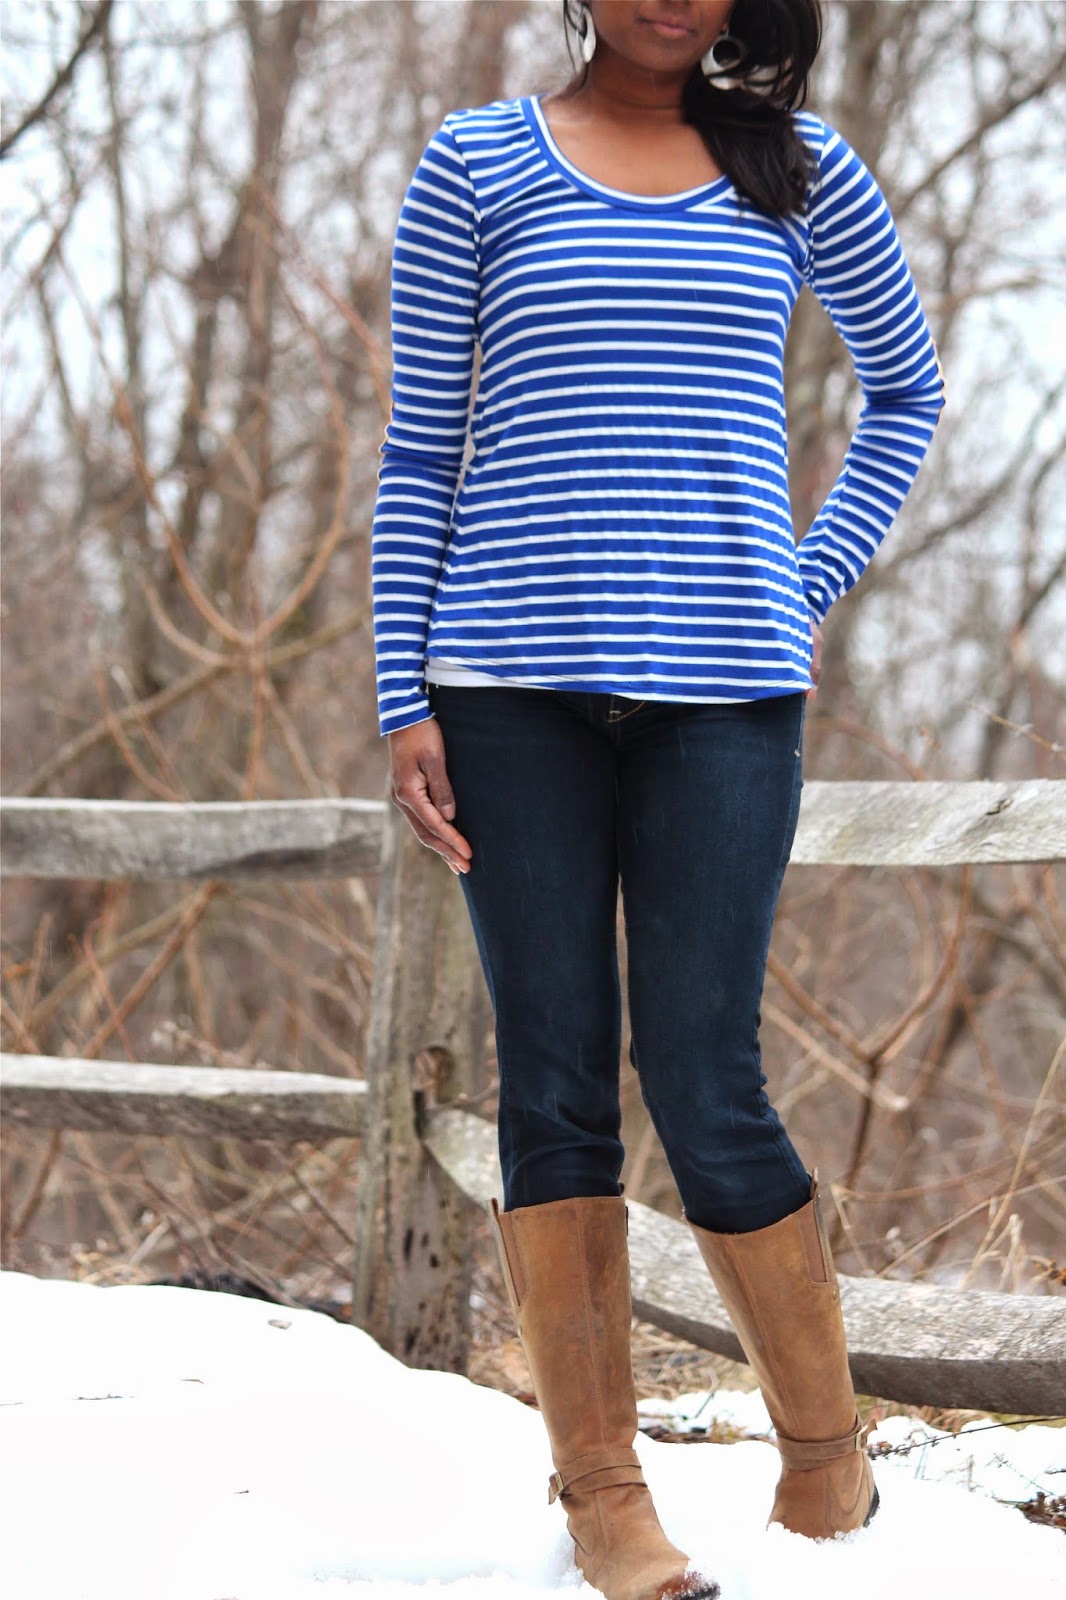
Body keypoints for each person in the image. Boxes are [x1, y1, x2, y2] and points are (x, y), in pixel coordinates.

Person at [370, 2, 946, 1594]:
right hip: (507, 694)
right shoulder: (477, 161)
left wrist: (797, 582)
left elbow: (906, 394)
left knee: (704, 1075)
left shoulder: (798, 167)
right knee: (551, 1080)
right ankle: (603, 1495)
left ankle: (823, 1462)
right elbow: (420, 447)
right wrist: (400, 695)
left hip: (726, 697)